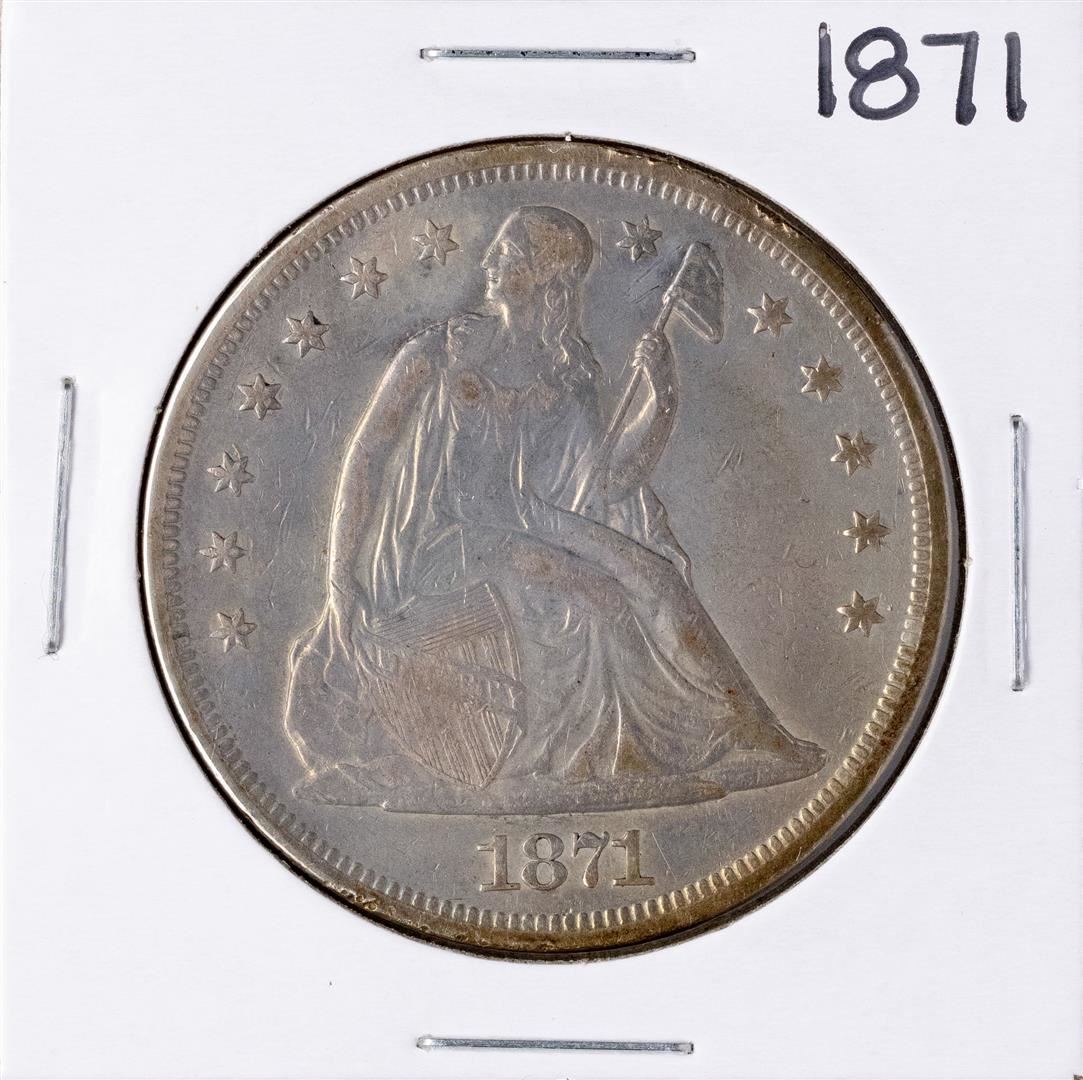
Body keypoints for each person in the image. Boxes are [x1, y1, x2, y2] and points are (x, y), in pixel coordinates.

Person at [283, 205, 825, 812]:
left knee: (655, 577)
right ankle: (617, 754)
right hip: (440, 537)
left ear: (548, 277)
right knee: (597, 592)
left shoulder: (566, 371)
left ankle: (748, 734)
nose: (490, 262)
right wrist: (340, 581)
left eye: (510, 254)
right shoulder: (439, 352)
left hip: (526, 519)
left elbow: (609, 483)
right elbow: (367, 456)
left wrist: (662, 397)